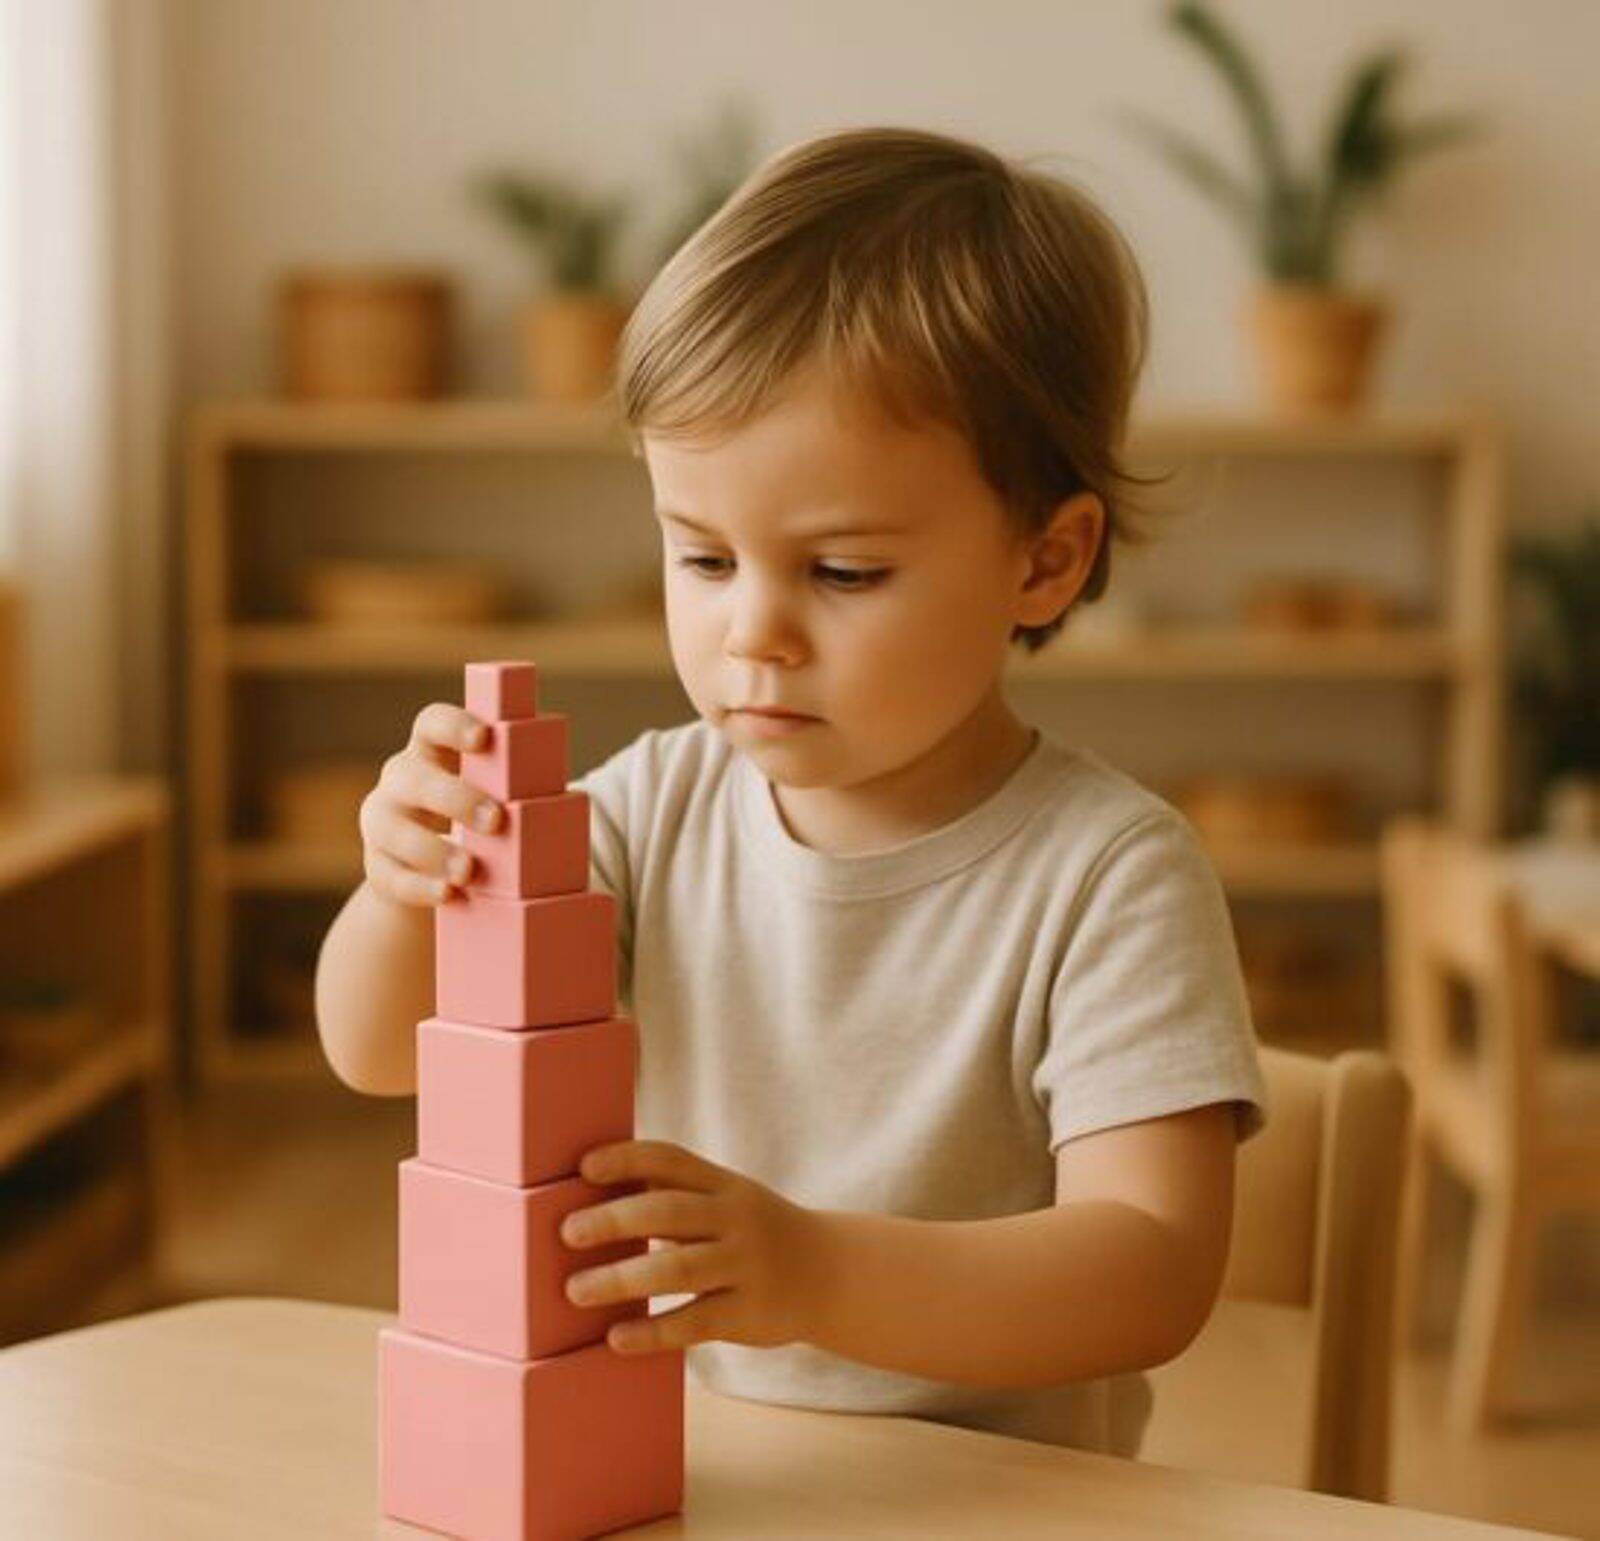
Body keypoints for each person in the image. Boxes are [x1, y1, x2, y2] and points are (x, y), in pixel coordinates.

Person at [315, 125, 1268, 1458]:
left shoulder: (1110, 872)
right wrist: (403, 890)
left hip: (1011, 1499)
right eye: (702, 557)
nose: (752, 632)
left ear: (1046, 562)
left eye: (842, 573)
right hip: (704, 1468)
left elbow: (1152, 1266)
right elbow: (374, 1049)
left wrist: (813, 1273)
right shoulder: (652, 809)